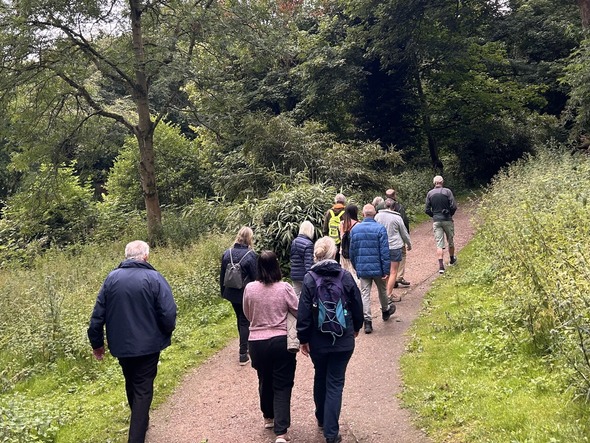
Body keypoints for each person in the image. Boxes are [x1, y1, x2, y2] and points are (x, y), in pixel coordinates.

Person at [88, 240, 177, 443]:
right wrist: (165, 331)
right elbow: (168, 312)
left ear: (127, 256)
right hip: (148, 346)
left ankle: (141, 420)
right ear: (145, 256)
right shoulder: (154, 278)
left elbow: (97, 315)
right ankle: (137, 434)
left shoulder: (111, 279)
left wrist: (97, 343)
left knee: (132, 382)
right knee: (143, 389)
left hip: (121, 346)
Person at [297, 237, 363, 443]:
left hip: (318, 340)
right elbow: (357, 305)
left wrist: (303, 338)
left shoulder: (309, 279)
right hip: (343, 339)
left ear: (316, 256)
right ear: (333, 254)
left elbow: (304, 312)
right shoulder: (345, 277)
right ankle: (331, 433)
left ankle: (322, 418)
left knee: (320, 375)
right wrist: (356, 327)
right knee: (335, 383)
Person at [243, 251, 299, 443]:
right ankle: (281, 432)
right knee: (282, 384)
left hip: (257, 342)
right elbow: (297, 310)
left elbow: (247, 313)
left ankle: (268, 416)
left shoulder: (250, 288)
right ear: (276, 266)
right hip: (280, 341)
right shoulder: (284, 288)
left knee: (264, 378)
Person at [349, 204, 394, 334]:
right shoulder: (380, 229)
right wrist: (386, 270)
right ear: (374, 214)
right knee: (382, 290)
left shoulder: (355, 230)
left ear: (363, 214)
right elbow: (385, 252)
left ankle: (367, 322)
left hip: (362, 267)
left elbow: (352, 252)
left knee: (365, 294)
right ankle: (385, 311)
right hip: (378, 268)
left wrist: (356, 266)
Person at [220, 226, 258, 365]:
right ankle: (243, 353)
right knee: (245, 320)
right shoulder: (250, 255)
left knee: (239, 318)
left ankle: (245, 345)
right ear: (249, 238)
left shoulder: (227, 253)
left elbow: (222, 275)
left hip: (231, 292)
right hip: (245, 292)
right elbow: (255, 276)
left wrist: (223, 292)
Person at [375, 198, 412, 301]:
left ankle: (387, 292)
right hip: (395, 247)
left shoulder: (377, 216)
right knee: (393, 272)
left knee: (385, 271)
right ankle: (389, 294)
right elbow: (404, 232)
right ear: (394, 207)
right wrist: (409, 244)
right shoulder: (397, 218)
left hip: (382, 246)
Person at [425, 175, 458, 274]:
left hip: (436, 220)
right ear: (442, 182)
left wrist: (434, 215)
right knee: (450, 240)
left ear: (434, 183)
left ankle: (441, 267)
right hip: (447, 219)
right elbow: (454, 206)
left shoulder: (430, 193)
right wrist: (450, 214)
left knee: (439, 243)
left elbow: (426, 209)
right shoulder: (447, 191)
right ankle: (452, 259)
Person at [385, 188, 411, 287]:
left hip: (382, 237)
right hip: (397, 237)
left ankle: (389, 279)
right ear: (394, 195)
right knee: (402, 254)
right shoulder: (399, 207)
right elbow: (404, 222)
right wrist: (407, 237)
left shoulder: (379, 206)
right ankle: (398, 277)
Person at [290, 220, 315, 296]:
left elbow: (292, 258)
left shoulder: (294, 241)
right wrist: (311, 277)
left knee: (296, 296)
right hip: (304, 275)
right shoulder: (309, 244)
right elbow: (308, 263)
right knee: (306, 297)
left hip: (294, 274)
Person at [338, 204, 360, 285]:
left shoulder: (342, 224)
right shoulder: (358, 225)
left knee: (344, 272)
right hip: (354, 252)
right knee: (354, 272)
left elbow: (341, 237)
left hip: (343, 251)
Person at [322, 193, 347, 262]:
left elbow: (325, 229)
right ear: (344, 202)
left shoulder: (329, 212)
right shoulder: (346, 212)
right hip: (342, 242)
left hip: (331, 241)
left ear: (335, 201)